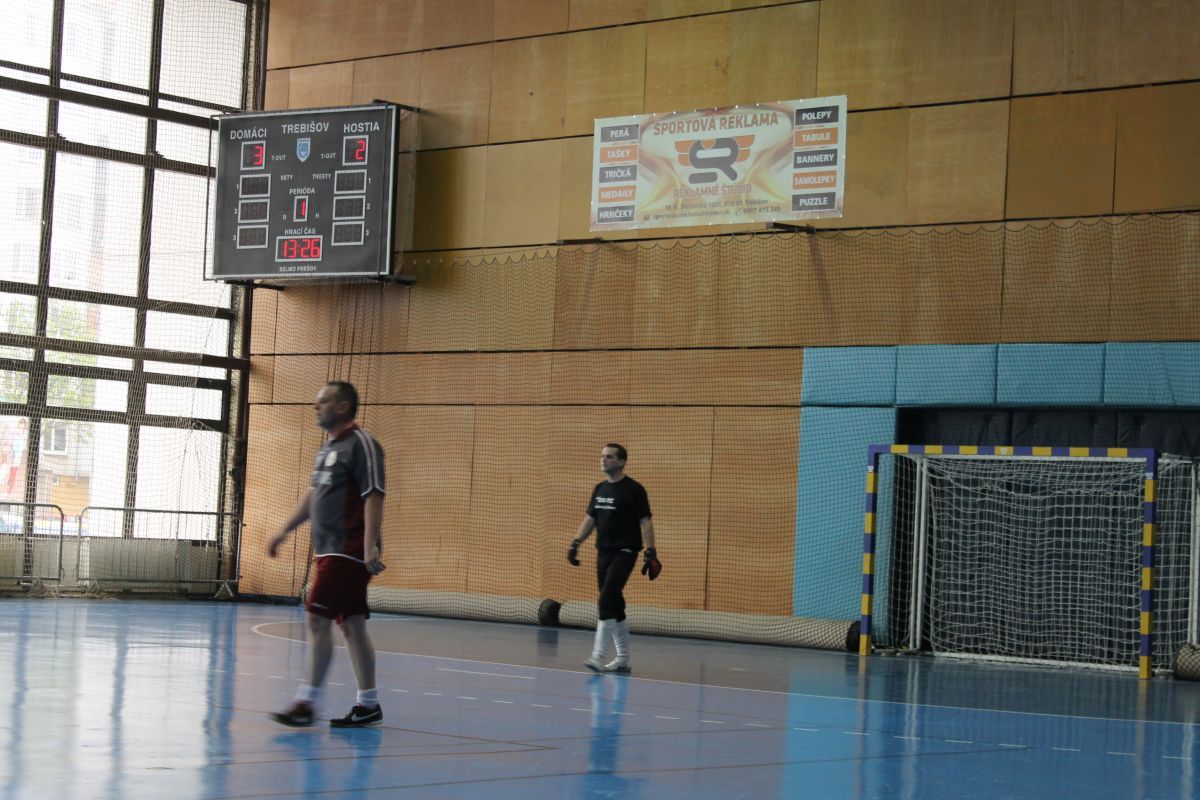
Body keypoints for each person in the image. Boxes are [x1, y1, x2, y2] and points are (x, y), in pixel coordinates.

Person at [268, 380, 387, 727]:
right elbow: (312, 497)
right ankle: (368, 704)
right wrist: (284, 530)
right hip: (328, 551)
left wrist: (369, 545)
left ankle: (306, 702)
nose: (316, 407)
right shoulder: (327, 449)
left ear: (343, 407)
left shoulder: (363, 444)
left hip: (347, 551)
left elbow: (374, 493)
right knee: (352, 626)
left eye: (322, 401)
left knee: (317, 619)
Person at [568, 443, 662, 673]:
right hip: (604, 552)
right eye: (602, 456)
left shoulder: (634, 490)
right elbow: (590, 519)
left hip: (626, 551)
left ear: (621, 461)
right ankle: (623, 659)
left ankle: (598, 656)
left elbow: (645, 521)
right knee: (614, 603)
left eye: (609, 457)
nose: (604, 460)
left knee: (606, 598)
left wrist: (650, 551)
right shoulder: (599, 489)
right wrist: (576, 542)